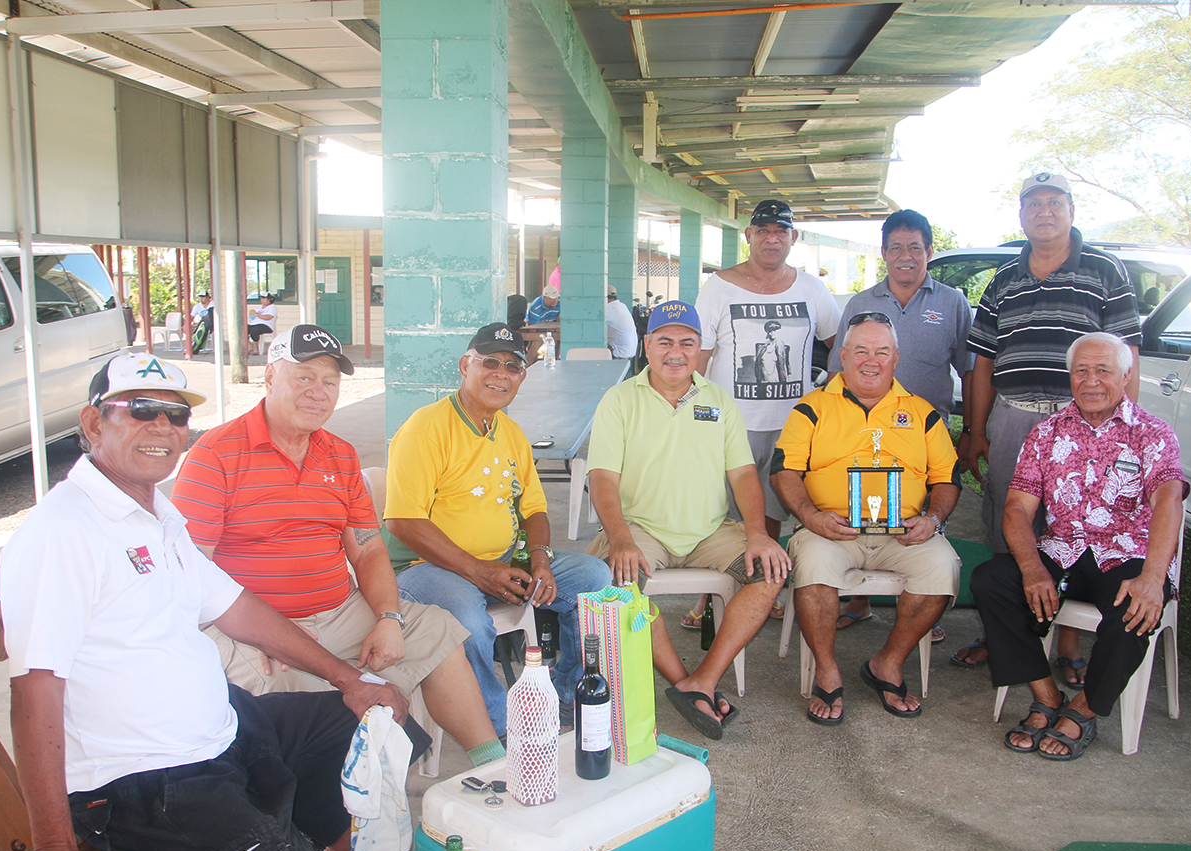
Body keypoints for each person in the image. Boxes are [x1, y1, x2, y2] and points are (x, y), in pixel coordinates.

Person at [0, 354, 419, 851]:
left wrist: (347, 680)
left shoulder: (157, 515)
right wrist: (51, 848)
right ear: (93, 424)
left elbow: (236, 607)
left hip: (220, 733)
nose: (162, 426)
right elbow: (34, 691)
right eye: (141, 410)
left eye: (175, 414)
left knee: (356, 721)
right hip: (137, 781)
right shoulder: (63, 531)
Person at [171, 325, 503, 767]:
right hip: (258, 624)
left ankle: (492, 765)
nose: (318, 392)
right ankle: (345, 791)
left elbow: (367, 549)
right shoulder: (215, 454)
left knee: (436, 628)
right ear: (269, 378)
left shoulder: (340, 454)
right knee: (301, 697)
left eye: (330, 382)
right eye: (304, 377)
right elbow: (192, 571)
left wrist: (388, 617)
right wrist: (248, 631)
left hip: (340, 610)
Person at [953, 171, 1141, 678]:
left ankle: (1067, 643)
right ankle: (1002, 633)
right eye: (1034, 204)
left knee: (1075, 521)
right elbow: (984, 362)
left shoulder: (1105, 270)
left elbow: (1127, 356)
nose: (1045, 212)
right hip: (1013, 415)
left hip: (1080, 419)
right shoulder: (1004, 279)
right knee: (1006, 519)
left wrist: (1124, 429)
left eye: (1054, 202)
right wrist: (976, 430)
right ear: (1021, 215)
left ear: (1071, 210)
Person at [385, 322, 612, 736]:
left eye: (513, 366)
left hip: (502, 561)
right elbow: (403, 520)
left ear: (522, 376)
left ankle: (566, 695)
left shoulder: (509, 432)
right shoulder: (426, 428)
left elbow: (534, 508)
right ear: (465, 366)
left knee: (594, 578)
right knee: (468, 621)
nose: (501, 374)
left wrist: (539, 559)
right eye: (490, 362)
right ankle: (498, 730)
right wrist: (477, 570)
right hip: (428, 568)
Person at [971, 332, 1184, 760]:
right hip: (1062, 551)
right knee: (992, 580)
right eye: (1081, 371)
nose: (1091, 381)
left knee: (1135, 607)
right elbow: (1016, 509)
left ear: (1126, 375)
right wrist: (1032, 569)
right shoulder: (1047, 433)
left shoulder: (1152, 433)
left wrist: (1153, 577)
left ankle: (1083, 709)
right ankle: (1046, 695)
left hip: (1126, 555)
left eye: (1103, 370)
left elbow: (1169, 503)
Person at [586, 300, 792, 740]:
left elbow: (743, 474)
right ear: (647, 345)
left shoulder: (718, 400)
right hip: (641, 530)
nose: (676, 352)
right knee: (617, 583)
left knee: (770, 570)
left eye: (687, 342)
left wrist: (758, 534)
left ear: (701, 349)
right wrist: (620, 538)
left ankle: (705, 679)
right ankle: (685, 682)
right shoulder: (619, 399)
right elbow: (602, 477)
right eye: (665, 342)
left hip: (709, 532)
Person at [771, 315, 962, 724]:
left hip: (903, 533)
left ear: (896, 358)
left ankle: (887, 664)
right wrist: (810, 517)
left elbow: (947, 478)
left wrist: (932, 519)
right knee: (814, 565)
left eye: (881, 351)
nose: (870, 360)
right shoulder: (812, 407)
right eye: (860, 350)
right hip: (831, 530)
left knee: (942, 564)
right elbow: (784, 470)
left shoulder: (922, 412)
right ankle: (826, 670)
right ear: (843, 356)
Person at [688, 198, 841, 628]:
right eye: (763, 231)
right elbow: (700, 356)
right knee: (720, 512)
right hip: (729, 422)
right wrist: (691, 414)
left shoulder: (811, 288)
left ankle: (764, 585)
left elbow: (840, 345)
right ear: (749, 236)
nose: (772, 239)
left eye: (781, 231)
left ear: (794, 238)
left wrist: (828, 399)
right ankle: (709, 594)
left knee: (771, 512)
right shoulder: (719, 287)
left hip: (792, 426)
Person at [827, 208, 974, 635]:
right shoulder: (861, 302)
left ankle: (924, 611)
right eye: (896, 248)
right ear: (884, 252)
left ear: (929, 250)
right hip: (865, 429)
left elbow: (969, 369)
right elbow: (839, 368)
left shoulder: (952, 302)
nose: (905, 256)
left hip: (925, 434)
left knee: (924, 520)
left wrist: (972, 430)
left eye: (914, 247)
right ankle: (859, 601)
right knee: (864, 511)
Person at [605, 284, 638, 360]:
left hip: (619, 352)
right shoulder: (622, 306)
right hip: (628, 351)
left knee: (592, 351)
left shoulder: (608, 309)